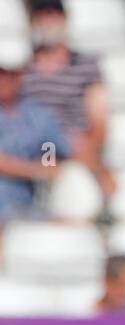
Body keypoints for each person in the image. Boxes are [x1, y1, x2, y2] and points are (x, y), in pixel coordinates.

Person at [21, 0, 113, 199]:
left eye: (54, 15)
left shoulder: (86, 66)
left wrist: (81, 152)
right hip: (35, 151)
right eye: (43, 15)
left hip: (75, 149)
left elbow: (100, 123)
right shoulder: (22, 69)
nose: (49, 21)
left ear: (65, 19)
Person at [0, 43, 68, 229]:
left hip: (26, 205)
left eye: (11, 74)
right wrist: (34, 170)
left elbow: (51, 149)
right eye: (1, 73)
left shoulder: (38, 114)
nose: (5, 80)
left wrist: (46, 166)